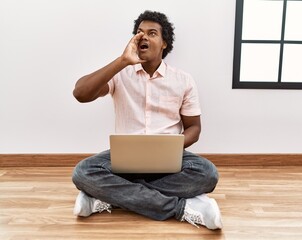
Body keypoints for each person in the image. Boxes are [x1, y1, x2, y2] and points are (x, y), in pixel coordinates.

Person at [71, 10, 223, 230]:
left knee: (207, 174)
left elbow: (194, 128)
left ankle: (106, 197)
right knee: (83, 173)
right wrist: (122, 61)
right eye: (139, 33)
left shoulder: (183, 80)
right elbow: (80, 94)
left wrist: (170, 147)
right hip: (124, 159)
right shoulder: (120, 74)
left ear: (164, 43)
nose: (144, 37)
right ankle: (183, 207)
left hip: (169, 159)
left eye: (152, 33)